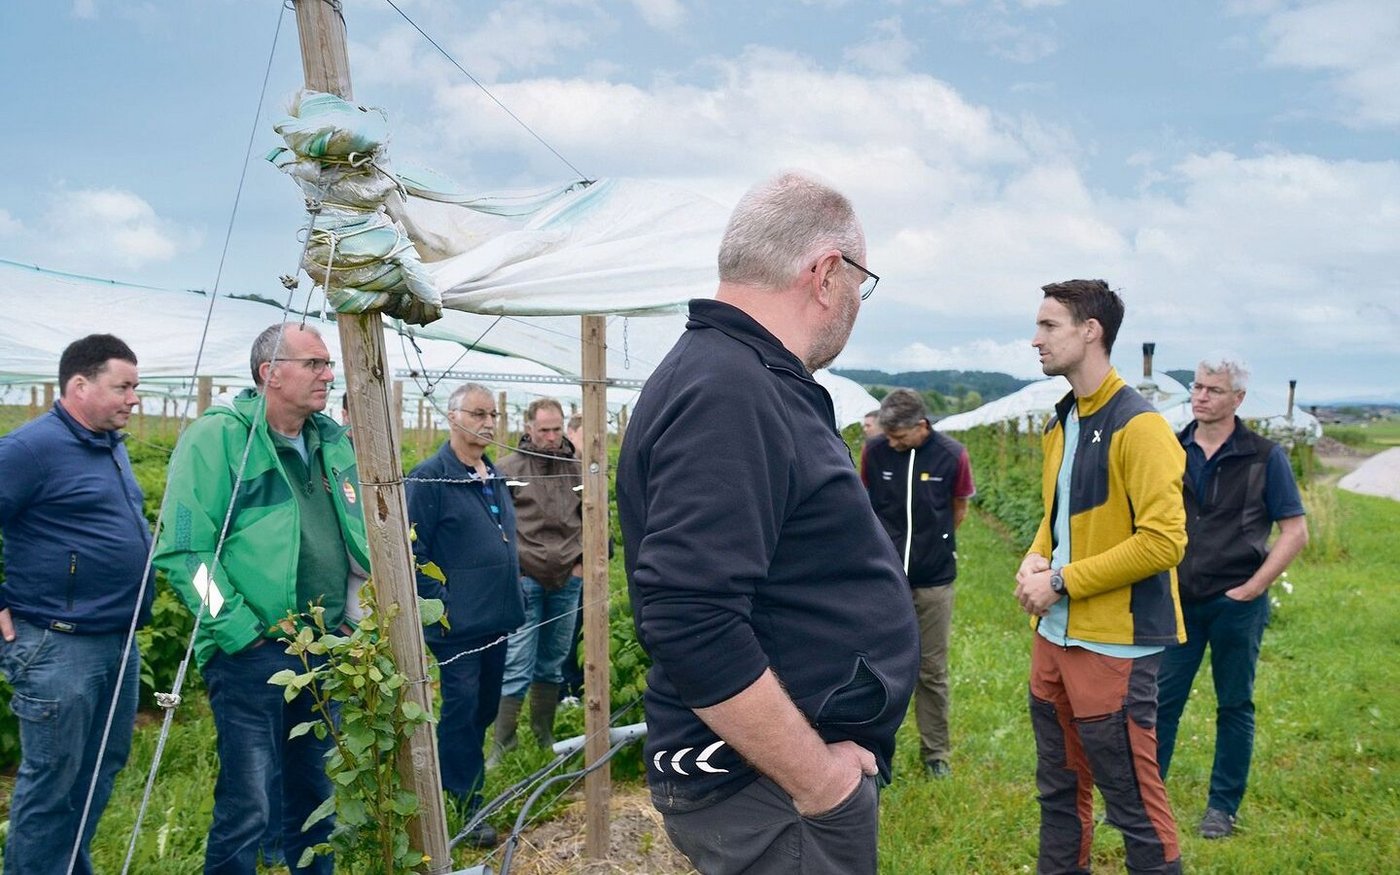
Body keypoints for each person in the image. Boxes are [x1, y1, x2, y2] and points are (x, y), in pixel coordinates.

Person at [617, 170, 918, 875]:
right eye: (860, 283)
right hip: (771, 791)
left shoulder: (739, 376)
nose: (855, 303)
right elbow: (690, 615)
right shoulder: (730, 390)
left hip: (772, 785)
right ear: (826, 274)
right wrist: (820, 779)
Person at [156, 323, 370, 874]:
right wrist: (238, 629)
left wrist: (353, 617)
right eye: (315, 364)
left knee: (316, 798)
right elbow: (184, 551)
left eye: (328, 364)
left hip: (324, 645)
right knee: (249, 804)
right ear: (269, 374)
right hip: (254, 652)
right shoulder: (220, 439)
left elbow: (354, 531)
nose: (328, 374)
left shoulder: (332, 440)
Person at [1014, 279, 1186, 874]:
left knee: (1133, 804)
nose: (1035, 340)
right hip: (1053, 640)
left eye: (1049, 326)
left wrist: (1061, 581)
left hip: (1113, 645)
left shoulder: (1140, 427)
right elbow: (1056, 519)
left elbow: (1164, 542)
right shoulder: (1061, 421)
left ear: (1092, 332)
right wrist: (1036, 559)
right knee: (1058, 793)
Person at [0, 334, 153, 875]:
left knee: (98, 771)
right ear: (80, 385)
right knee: (53, 782)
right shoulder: (30, 449)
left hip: (117, 642)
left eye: (136, 387)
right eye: (124, 387)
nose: (134, 399)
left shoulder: (107, 443)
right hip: (57, 645)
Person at [1156, 356, 1307, 840]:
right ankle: (1143, 801)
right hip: (1178, 600)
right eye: (1197, 388)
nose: (1201, 396)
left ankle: (1222, 808)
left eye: (1213, 390)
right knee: (1160, 702)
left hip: (1235, 602)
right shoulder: (1171, 449)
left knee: (1234, 704)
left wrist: (1254, 587)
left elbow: (1294, 531)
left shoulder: (1265, 456)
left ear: (1237, 398)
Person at [405, 382, 523, 848]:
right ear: (453, 416)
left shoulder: (490, 474)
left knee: (483, 709)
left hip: (496, 617)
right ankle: (465, 804)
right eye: (478, 413)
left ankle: (458, 778)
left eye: (492, 414)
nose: (488, 423)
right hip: (457, 627)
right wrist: (442, 604)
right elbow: (413, 552)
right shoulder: (430, 477)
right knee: (461, 710)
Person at [860, 388, 975, 779]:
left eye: (898, 436)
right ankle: (870, 748)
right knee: (875, 665)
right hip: (883, 581)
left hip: (933, 581)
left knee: (931, 669)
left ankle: (936, 753)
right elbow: (866, 507)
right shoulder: (875, 454)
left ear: (921, 426)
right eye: (887, 435)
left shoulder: (952, 455)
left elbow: (958, 509)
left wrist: (934, 546)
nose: (891, 442)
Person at [491, 398, 583, 761]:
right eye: (543, 429)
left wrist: (584, 562)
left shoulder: (576, 470)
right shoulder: (509, 468)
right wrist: (511, 567)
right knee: (518, 660)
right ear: (528, 428)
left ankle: (543, 735)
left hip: (568, 577)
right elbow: (496, 525)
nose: (550, 437)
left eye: (556, 429)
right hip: (526, 577)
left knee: (554, 659)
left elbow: (592, 516)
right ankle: (503, 743)